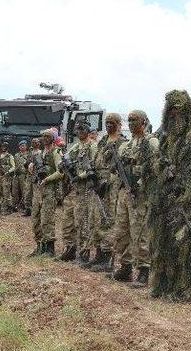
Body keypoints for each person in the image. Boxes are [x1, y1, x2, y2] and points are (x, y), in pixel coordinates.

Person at [149, 90, 191, 302]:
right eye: (171, 108)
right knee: (160, 242)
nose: (174, 113)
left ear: (187, 109)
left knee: (181, 244)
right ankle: (161, 284)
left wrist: (180, 188)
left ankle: (183, 289)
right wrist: (161, 170)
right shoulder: (165, 134)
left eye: (179, 108)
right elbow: (155, 160)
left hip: (183, 198)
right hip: (161, 196)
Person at [112, 110, 159, 288]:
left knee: (140, 232)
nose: (131, 123)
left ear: (144, 122)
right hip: (125, 192)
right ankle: (126, 267)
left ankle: (144, 270)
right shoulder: (126, 145)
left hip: (141, 193)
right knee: (122, 230)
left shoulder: (151, 142)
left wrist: (141, 180)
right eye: (129, 120)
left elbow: (156, 167)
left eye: (135, 120)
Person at [83, 113, 127, 273]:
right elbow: (95, 161)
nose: (109, 125)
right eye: (107, 122)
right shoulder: (102, 141)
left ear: (118, 124)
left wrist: (107, 182)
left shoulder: (122, 142)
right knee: (96, 218)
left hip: (111, 187)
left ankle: (108, 256)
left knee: (108, 220)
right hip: (98, 185)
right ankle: (99, 254)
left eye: (112, 123)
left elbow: (120, 168)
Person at [57, 120, 97, 264]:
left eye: (82, 129)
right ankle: (70, 248)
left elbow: (94, 168)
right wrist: (63, 165)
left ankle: (84, 250)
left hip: (86, 187)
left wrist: (81, 175)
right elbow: (66, 159)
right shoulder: (76, 146)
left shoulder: (93, 146)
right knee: (69, 219)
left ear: (88, 130)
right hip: (75, 188)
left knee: (83, 220)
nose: (79, 131)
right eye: (78, 129)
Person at [35, 129, 63, 256]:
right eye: (43, 136)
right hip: (39, 189)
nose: (45, 138)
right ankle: (39, 245)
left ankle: (50, 248)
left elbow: (60, 172)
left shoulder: (56, 152)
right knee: (36, 218)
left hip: (50, 189)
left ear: (53, 138)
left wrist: (47, 179)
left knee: (48, 219)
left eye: (48, 136)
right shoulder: (40, 153)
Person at [28, 138, 45, 255]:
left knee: (42, 218)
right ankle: (39, 244)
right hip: (34, 186)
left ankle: (45, 246)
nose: (35, 144)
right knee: (35, 217)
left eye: (37, 142)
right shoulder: (31, 154)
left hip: (43, 189)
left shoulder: (43, 154)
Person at [0, 141, 16, 215]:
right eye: (2, 146)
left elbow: (13, 167)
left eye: (4, 146)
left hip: (6, 176)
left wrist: (8, 171)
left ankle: (7, 208)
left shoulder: (10, 156)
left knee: (6, 193)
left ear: (7, 147)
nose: (3, 148)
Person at [12, 140, 32, 215]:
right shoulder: (16, 155)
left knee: (25, 191)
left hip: (24, 175)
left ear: (26, 146)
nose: (22, 147)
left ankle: (25, 206)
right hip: (16, 175)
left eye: (23, 146)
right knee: (15, 191)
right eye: (20, 146)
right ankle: (15, 206)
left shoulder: (29, 155)